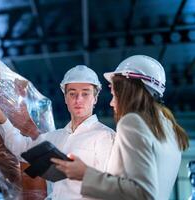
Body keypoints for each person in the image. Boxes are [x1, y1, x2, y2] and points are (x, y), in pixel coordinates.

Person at [51, 55, 189, 200]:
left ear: (126, 91)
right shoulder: (169, 128)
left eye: (114, 95)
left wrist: (85, 174)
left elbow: (143, 194)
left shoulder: (132, 122)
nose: (112, 103)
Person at [0, 65, 115, 199]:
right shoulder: (56, 137)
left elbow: (109, 187)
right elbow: (21, 148)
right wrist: (3, 120)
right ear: (65, 98)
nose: (78, 99)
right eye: (72, 93)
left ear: (95, 98)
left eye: (85, 93)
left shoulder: (105, 136)